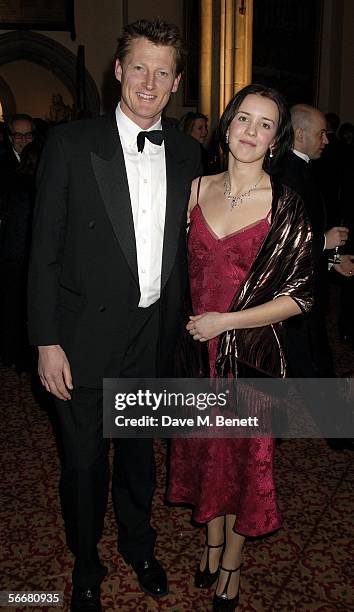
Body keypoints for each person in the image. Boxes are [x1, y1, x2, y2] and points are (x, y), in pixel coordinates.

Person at [28, 18, 201, 612]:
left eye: (162, 71)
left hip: (151, 337)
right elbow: (42, 251)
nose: (149, 82)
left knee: (136, 459)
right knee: (82, 469)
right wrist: (46, 339)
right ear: (118, 71)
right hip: (81, 340)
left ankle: (139, 545)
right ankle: (85, 563)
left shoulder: (186, 151)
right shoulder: (71, 145)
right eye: (139, 68)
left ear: (176, 81)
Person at [168, 84, 313, 611]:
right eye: (244, 120)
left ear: (276, 139)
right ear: (227, 127)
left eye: (265, 124)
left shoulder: (286, 205)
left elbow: (299, 298)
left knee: (243, 468)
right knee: (207, 458)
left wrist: (224, 321)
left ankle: (231, 564)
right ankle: (210, 544)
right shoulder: (192, 190)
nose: (251, 132)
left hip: (250, 359)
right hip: (195, 358)